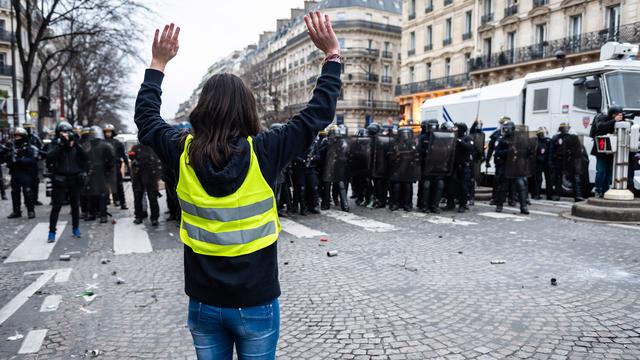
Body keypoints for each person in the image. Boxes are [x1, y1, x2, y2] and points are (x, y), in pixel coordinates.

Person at [134, 15, 340, 359]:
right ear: (247, 109)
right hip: (256, 298)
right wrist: (331, 56)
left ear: (203, 109)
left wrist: (158, 64)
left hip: (203, 299)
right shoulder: (266, 149)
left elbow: (146, 120)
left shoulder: (181, 151)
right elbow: (317, 114)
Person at [46, 122, 88, 242]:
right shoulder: (55, 144)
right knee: (56, 207)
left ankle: (76, 228)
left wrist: (76, 144)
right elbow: (50, 157)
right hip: (60, 179)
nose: (65, 135)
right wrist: (61, 145)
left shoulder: (74, 144)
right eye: (62, 132)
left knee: (75, 206)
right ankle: (52, 231)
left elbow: (85, 158)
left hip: (74, 179)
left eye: (67, 132)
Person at [82, 126, 115, 223]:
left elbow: (111, 160)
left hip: (102, 173)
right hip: (91, 173)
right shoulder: (87, 146)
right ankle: (93, 213)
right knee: (91, 195)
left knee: (102, 195)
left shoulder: (105, 146)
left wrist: (108, 171)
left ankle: (103, 214)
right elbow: (84, 160)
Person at [7, 127, 39, 219]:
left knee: (28, 192)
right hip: (15, 172)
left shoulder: (28, 147)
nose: (17, 138)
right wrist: (9, 158)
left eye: (19, 136)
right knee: (15, 193)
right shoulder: (11, 146)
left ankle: (31, 210)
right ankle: (16, 211)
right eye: (15, 136)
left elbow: (33, 160)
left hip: (25, 173)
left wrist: (21, 160)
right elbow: (6, 158)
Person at [590, 106, 623, 197]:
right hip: (601, 149)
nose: (619, 116)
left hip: (612, 151)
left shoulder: (620, 121)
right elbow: (601, 127)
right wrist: (614, 121)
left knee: (608, 172)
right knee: (601, 171)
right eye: (616, 114)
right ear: (612, 114)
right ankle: (598, 190)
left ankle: (605, 190)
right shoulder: (602, 118)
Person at [549, 123, 585, 202]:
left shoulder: (572, 137)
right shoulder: (556, 138)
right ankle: (557, 195)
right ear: (560, 129)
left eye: (567, 128)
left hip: (570, 160)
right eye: (564, 128)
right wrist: (551, 162)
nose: (566, 129)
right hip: (559, 160)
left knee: (575, 177)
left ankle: (577, 196)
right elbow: (551, 151)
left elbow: (576, 150)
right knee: (558, 178)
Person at [129, 142, 162, 226]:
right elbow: (131, 155)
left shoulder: (152, 147)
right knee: (138, 197)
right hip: (138, 175)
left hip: (151, 176)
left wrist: (158, 176)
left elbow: (157, 162)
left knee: (152, 197)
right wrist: (134, 160)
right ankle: (138, 216)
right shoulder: (135, 147)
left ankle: (154, 218)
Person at [103, 124, 129, 210]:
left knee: (119, 186)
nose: (108, 133)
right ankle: (106, 201)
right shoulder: (102, 143)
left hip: (115, 167)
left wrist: (127, 165)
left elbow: (123, 155)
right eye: (106, 132)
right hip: (104, 168)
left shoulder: (117, 143)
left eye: (109, 132)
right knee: (104, 186)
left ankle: (122, 202)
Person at [453, 123, 475, 213]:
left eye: (458, 128)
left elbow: (469, 147)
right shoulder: (454, 137)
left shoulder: (468, 138)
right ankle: (454, 201)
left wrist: (459, 141)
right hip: (455, 166)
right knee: (455, 185)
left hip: (465, 166)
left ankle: (463, 204)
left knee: (464, 186)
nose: (456, 130)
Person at [532, 127, 551, 200]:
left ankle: (549, 195)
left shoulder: (548, 141)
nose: (543, 135)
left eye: (544, 133)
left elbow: (551, 152)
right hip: (538, 163)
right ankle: (537, 194)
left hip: (547, 163)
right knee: (538, 179)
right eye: (541, 133)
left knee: (549, 179)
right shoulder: (536, 142)